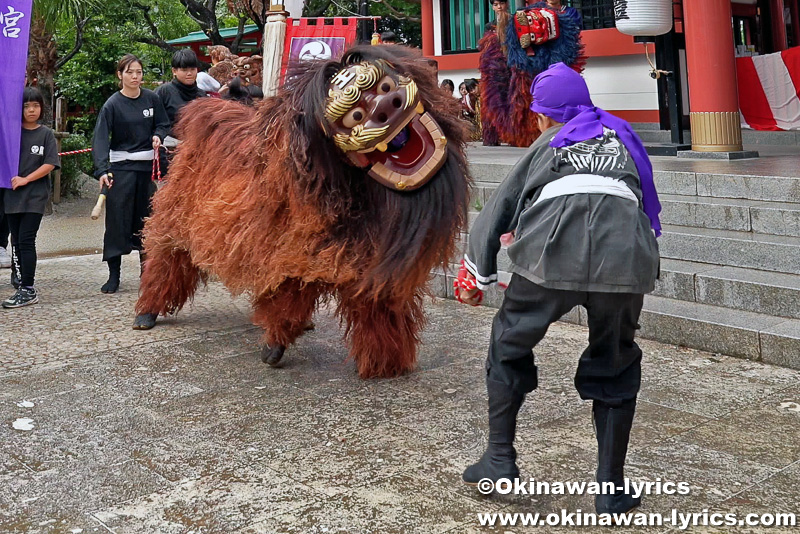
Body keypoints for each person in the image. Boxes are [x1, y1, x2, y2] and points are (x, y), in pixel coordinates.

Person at [457, 63, 661, 516]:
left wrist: (477, 272)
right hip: (625, 256)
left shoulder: (549, 142)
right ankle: (610, 488)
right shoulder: (622, 137)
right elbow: (643, 198)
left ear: (547, 116)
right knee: (615, 361)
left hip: (551, 249)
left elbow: (500, 206)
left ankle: (499, 458)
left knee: (508, 342)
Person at [92, 54, 169, 294]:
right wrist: (102, 169)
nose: (135, 76)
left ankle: (147, 273)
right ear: (120, 75)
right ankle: (113, 275)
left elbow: (163, 124)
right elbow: (101, 139)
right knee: (116, 222)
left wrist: (158, 134)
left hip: (145, 171)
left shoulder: (152, 99)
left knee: (145, 221)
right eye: (129, 72)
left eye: (138, 72)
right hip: (121, 170)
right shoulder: (112, 104)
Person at [2, 87, 60, 308]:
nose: (31, 110)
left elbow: (50, 164)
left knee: (26, 240)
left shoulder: (45, 134)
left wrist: (26, 179)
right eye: (26, 106)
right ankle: (21, 285)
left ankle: (28, 288)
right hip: (11, 197)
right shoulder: (10, 134)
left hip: (34, 197)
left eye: (35, 105)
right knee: (15, 241)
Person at [155, 48, 206, 150]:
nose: (189, 73)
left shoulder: (202, 95)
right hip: (167, 149)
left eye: (192, 69)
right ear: (174, 71)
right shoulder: (163, 92)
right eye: (184, 70)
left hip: (196, 149)